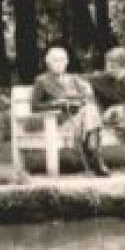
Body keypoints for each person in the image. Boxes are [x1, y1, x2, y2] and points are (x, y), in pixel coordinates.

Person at [31, 46, 108, 176]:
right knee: (91, 113)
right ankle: (96, 157)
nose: (59, 63)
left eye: (62, 60)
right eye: (55, 60)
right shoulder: (41, 80)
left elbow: (88, 97)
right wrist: (56, 104)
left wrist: (78, 101)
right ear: (48, 63)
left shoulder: (73, 79)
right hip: (59, 123)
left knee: (90, 109)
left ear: (66, 62)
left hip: (80, 120)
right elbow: (35, 106)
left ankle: (95, 155)